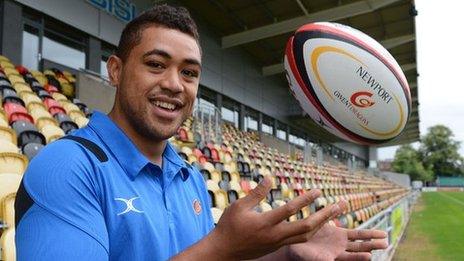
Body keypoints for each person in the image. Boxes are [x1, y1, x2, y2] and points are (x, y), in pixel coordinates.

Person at [15, 4, 387, 260]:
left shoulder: (189, 176)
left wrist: (286, 251)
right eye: (156, 64)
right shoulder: (67, 167)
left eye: (189, 73)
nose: (175, 84)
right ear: (115, 70)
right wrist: (221, 246)